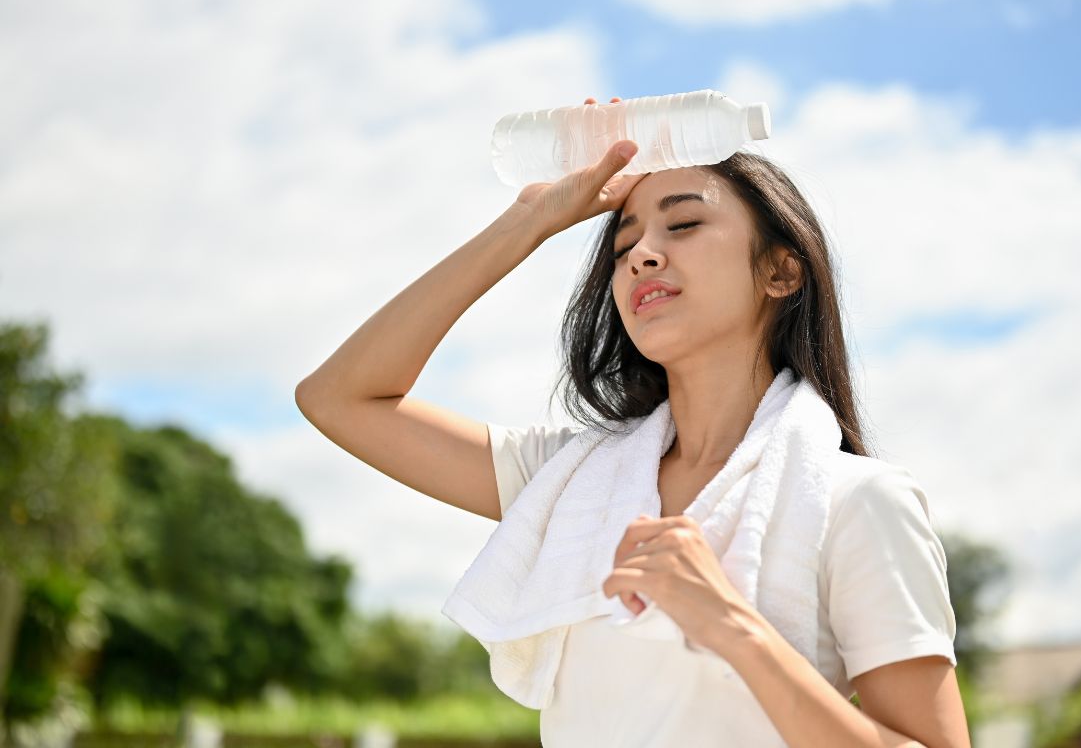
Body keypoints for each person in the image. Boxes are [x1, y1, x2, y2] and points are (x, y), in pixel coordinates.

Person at [296, 96, 972, 747]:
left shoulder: (859, 504)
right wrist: (526, 223)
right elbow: (338, 398)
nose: (642, 254)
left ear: (780, 271)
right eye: (624, 245)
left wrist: (734, 626)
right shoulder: (567, 482)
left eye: (682, 225)